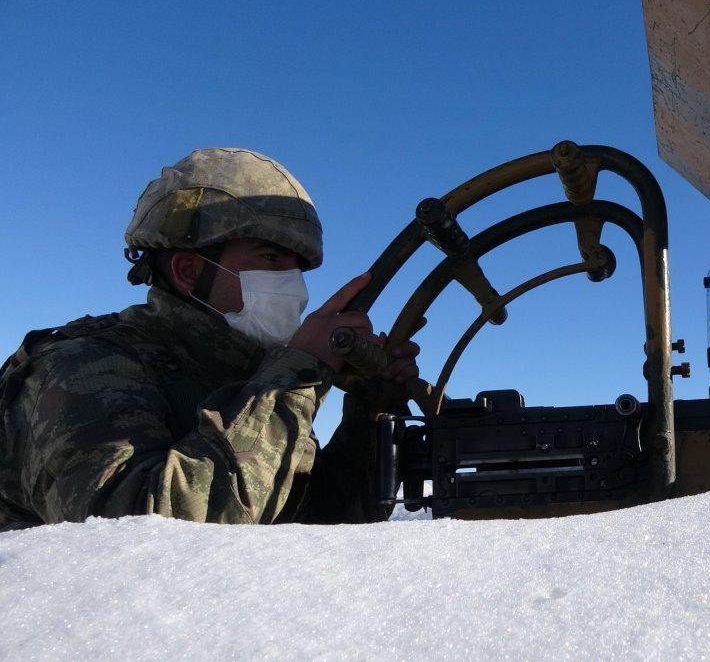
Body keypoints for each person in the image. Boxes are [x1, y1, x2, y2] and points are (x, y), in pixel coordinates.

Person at [0, 147, 418, 531]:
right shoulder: (83, 366)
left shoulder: (255, 378)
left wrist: (368, 414)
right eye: (271, 258)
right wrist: (298, 373)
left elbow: (313, 527)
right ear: (187, 272)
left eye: (298, 269)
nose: (294, 286)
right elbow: (142, 541)